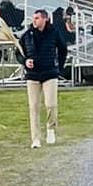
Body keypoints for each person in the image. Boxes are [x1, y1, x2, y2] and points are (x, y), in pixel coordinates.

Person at [20, 9, 67, 149]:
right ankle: (35, 139)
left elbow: (63, 49)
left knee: (51, 104)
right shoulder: (27, 35)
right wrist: (25, 61)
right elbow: (18, 51)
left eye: (37, 18)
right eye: (33, 18)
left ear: (45, 19)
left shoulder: (54, 32)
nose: (34, 20)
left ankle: (51, 129)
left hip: (49, 73)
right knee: (33, 107)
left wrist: (59, 67)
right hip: (33, 75)